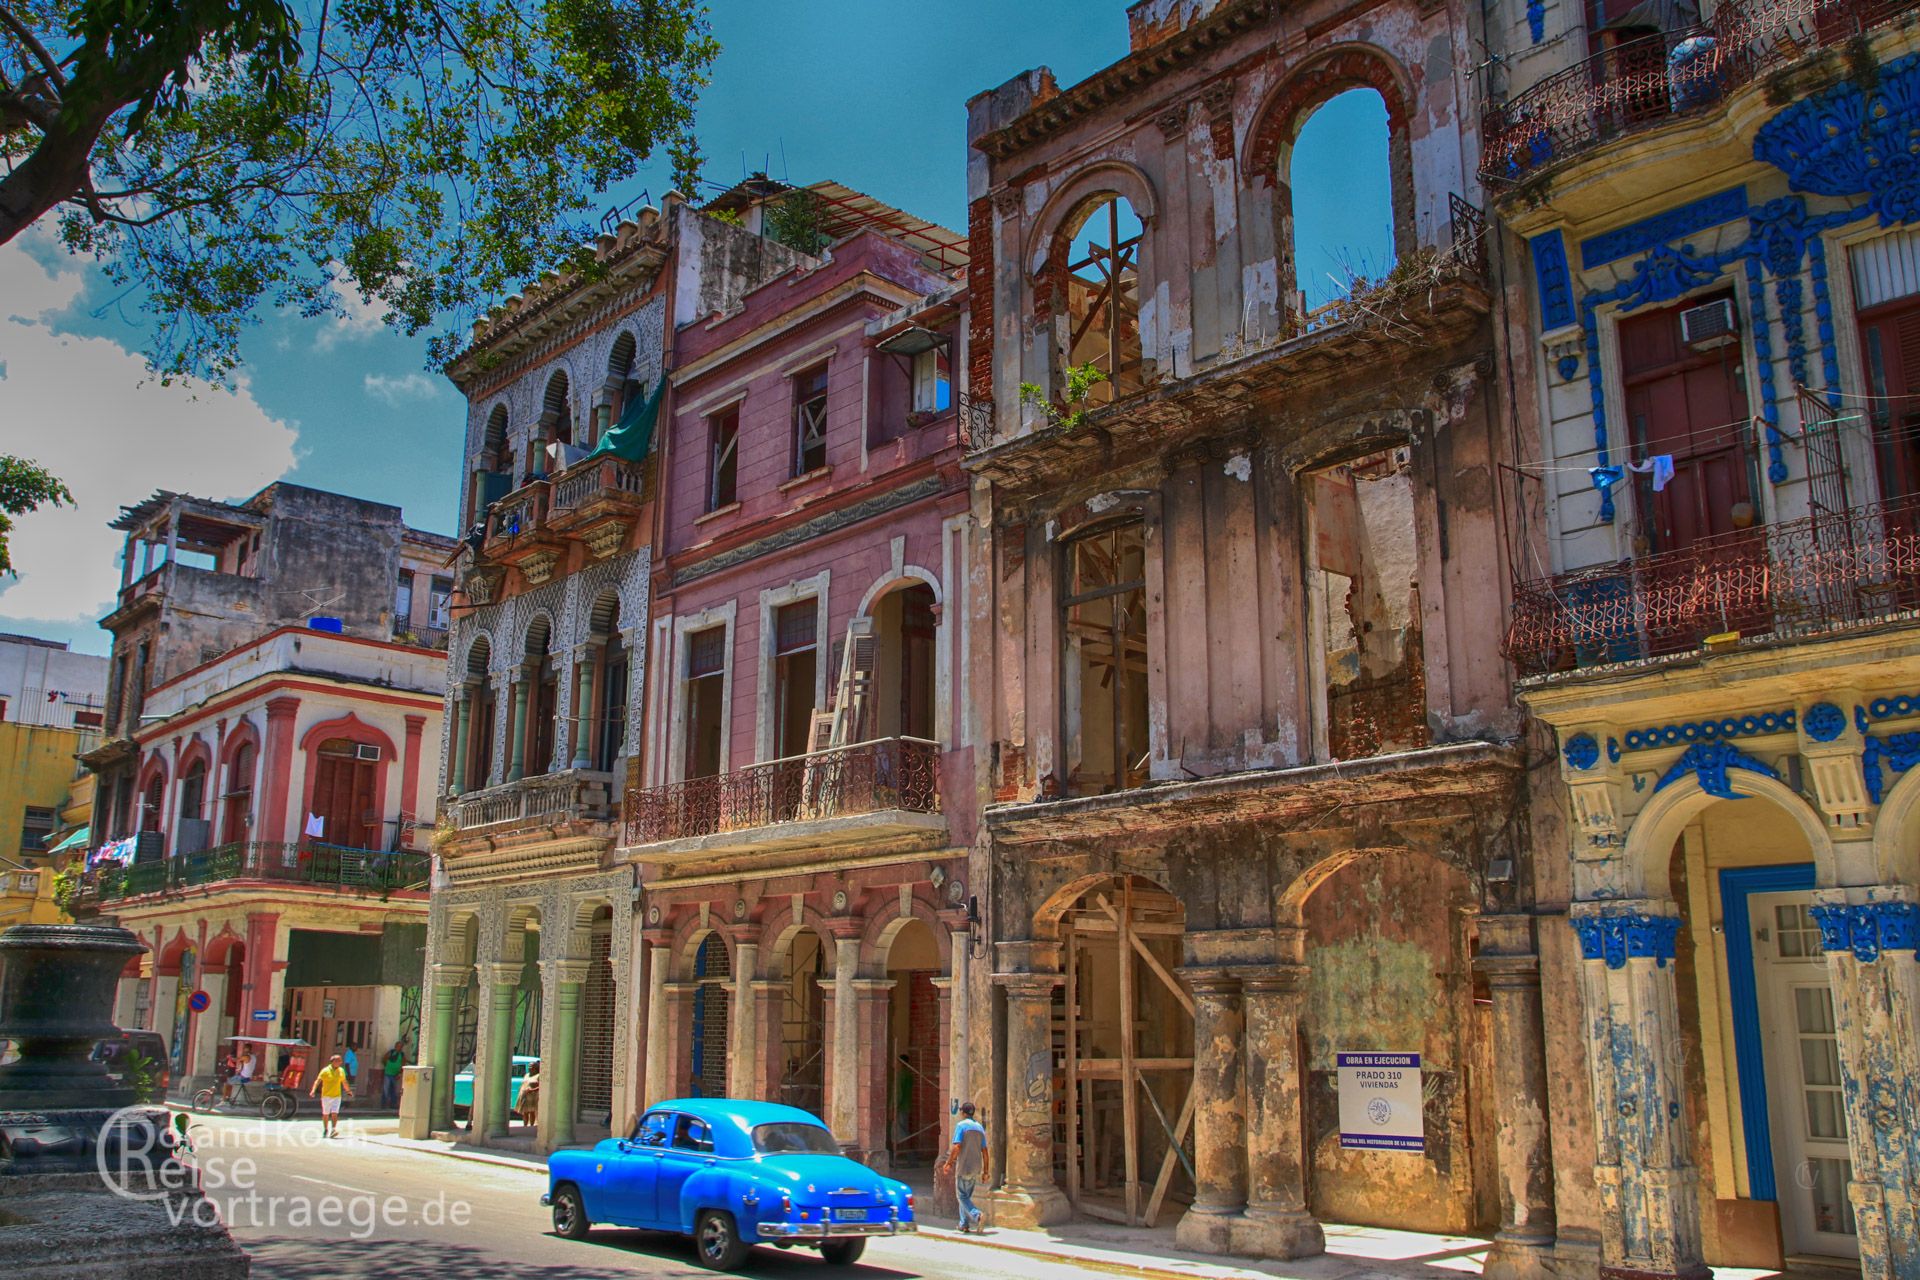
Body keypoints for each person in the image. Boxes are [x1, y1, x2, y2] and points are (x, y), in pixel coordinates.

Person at [941, 1102, 988, 1234]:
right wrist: (986, 1171)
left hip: (964, 1167)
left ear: (963, 1112)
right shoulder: (979, 1127)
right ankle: (963, 1224)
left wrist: (949, 1162)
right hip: (976, 1168)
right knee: (966, 1196)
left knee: (961, 1197)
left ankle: (977, 1215)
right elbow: (985, 1151)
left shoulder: (961, 1126)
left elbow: (957, 1146)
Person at [310, 1052, 351, 1138]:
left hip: (337, 1096)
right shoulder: (325, 1071)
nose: (340, 1062)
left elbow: (344, 1081)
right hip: (326, 1096)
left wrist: (348, 1091)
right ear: (333, 1061)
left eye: (340, 1061)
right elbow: (318, 1081)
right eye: (338, 1061)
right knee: (325, 1114)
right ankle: (325, 1129)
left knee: (334, 1113)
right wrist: (313, 1090)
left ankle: (333, 1129)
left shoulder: (341, 1071)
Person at [382, 1042, 404, 1109]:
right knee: (386, 1089)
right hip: (388, 1074)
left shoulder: (402, 1054)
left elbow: (403, 1064)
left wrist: (400, 1073)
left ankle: (393, 1105)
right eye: (398, 1046)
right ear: (395, 1046)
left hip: (395, 1075)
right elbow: (384, 1059)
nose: (399, 1048)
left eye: (401, 1046)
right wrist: (387, 1066)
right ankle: (383, 1105)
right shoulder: (391, 1052)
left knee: (394, 1090)